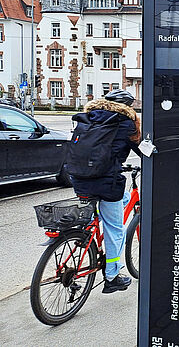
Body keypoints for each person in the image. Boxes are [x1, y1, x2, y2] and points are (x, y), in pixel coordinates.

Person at [69, 90, 141, 293]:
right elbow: (141, 150)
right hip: (106, 182)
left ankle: (91, 229)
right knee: (115, 228)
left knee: (122, 199)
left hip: (79, 178)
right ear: (128, 106)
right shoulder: (126, 122)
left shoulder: (88, 118)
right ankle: (112, 276)